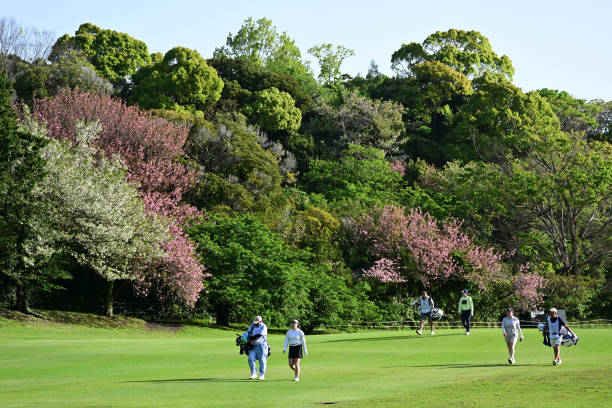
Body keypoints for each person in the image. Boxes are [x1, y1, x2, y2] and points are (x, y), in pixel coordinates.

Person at [247, 315, 268, 380]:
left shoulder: (263, 326)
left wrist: (251, 339)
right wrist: (249, 340)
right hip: (253, 346)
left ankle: (262, 374)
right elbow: (249, 333)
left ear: (260, 321)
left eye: (257, 322)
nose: (256, 323)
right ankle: (253, 373)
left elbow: (259, 335)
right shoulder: (252, 325)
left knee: (262, 360)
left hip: (261, 345)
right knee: (250, 358)